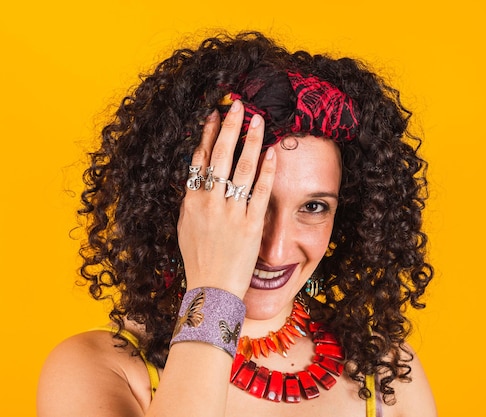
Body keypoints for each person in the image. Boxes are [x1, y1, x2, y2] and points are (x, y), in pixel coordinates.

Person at [37, 31, 436, 417]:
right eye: (247, 199)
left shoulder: (386, 374)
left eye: (313, 207)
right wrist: (214, 291)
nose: (276, 249)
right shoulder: (97, 370)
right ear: (185, 202)